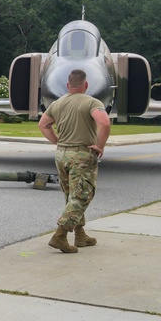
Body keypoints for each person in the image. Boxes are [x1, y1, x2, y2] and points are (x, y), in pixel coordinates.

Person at [37, 68, 111, 254]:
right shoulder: (92, 102)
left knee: (71, 195)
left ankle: (80, 234)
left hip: (61, 155)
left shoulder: (57, 103)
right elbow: (104, 123)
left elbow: (43, 125)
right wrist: (100, 146)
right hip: (81, 155)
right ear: (85, 85)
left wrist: (57, 141)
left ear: (68, 85)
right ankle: (60, 235)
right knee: (82, 196)